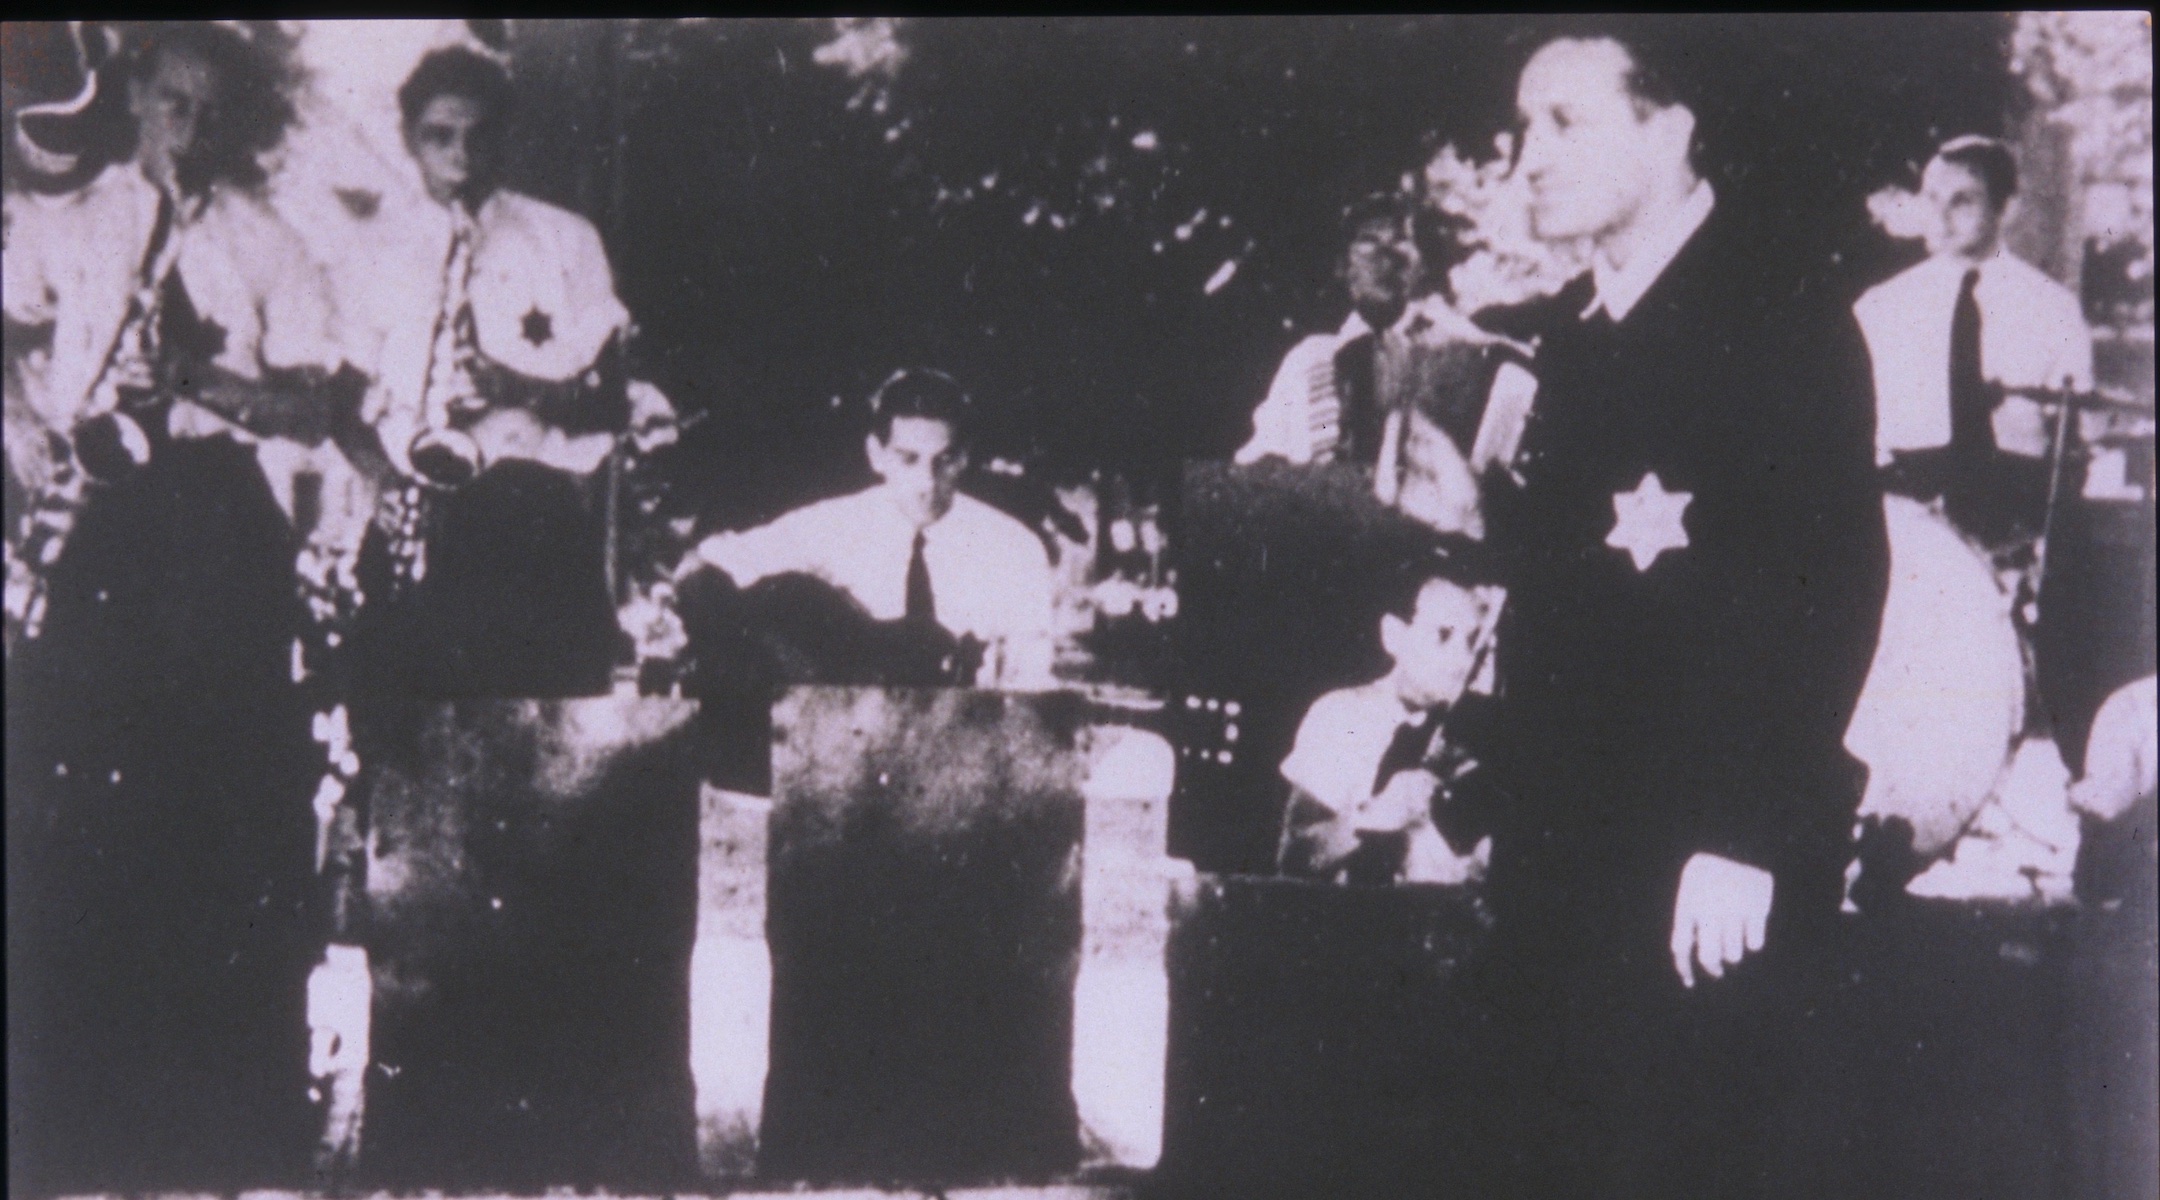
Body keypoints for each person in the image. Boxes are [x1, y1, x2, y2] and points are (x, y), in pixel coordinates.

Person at [1472, 28, 1889, 1198]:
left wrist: (1749, 830)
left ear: (1671, 127)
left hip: (1705, 879)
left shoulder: (1781, 318)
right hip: (1563, 866)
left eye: (1564, 122)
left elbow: (1835, 584)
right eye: (1521, 129)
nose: (1528, 160)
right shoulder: (1570, 332)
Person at [3, 22, 356, 1192]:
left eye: (210, 112)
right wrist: (30, 438)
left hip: (215, 532)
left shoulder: (269, 240)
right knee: (79, 794)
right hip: (101, 520)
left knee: (222, 808)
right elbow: (11, 334)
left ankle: (229, 1115)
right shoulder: (67, 220)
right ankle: (78, 1111)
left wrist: (203, 377)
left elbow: (312, 413)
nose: (187, 132)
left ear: (236, 120)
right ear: (138, 100)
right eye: (170, 105)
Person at [682, 367, 1058, 692]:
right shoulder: (828, 527)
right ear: (876, 454)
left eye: (943, 461)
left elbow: (1032, 683)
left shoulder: (1013, 548)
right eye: (908, 459)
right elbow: (706, 563)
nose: (926, 482)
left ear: (963, 456)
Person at [1236, 193, 1537, 539]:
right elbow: (1256, 468)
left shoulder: (1483, 355)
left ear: (1423, 261)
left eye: (1401, 241)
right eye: (1369, 243)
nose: (1387, 256)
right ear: (1342, 267)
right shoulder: (1310, 361)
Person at [1854, 135, 2095, 547]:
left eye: (1962, 201)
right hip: (1902, 524)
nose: (1942, 217)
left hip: (2018, 523)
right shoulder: (1880, 308)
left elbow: (2077, 443)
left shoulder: (2053, 308)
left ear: (2007, 208)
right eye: (1933, 199)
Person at [1276, 551, 1499, 887]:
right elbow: (1294, 857)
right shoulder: (1341, 715)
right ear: (1393, 635)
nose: (1462, 658)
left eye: (1471, 642)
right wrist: (1378, 814)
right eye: (1443, 635)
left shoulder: (1472, 737)